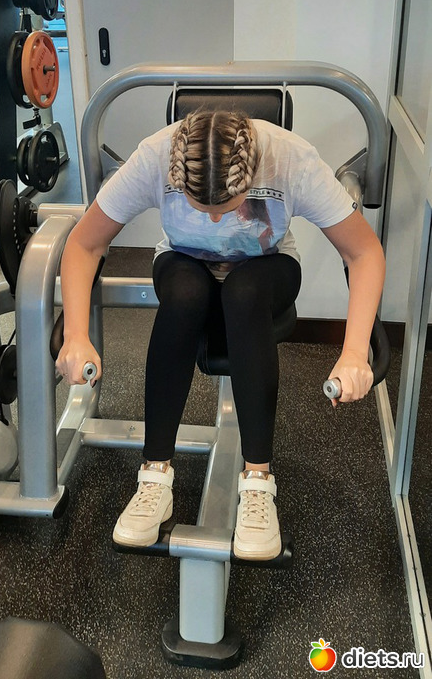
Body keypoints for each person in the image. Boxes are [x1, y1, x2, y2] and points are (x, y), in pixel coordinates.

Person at [56, 109, 385, 560]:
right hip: (182, 264)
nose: (214, 224)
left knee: (243, 294)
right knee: (185, 295)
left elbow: (363, 252)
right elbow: (85, 242)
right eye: (201, 209)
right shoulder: (155, 156)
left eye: (225, 210)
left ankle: (258, 482)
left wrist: (354, 352)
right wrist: (76, 334)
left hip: (266, 267)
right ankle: (154, 477)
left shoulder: (290, 159)